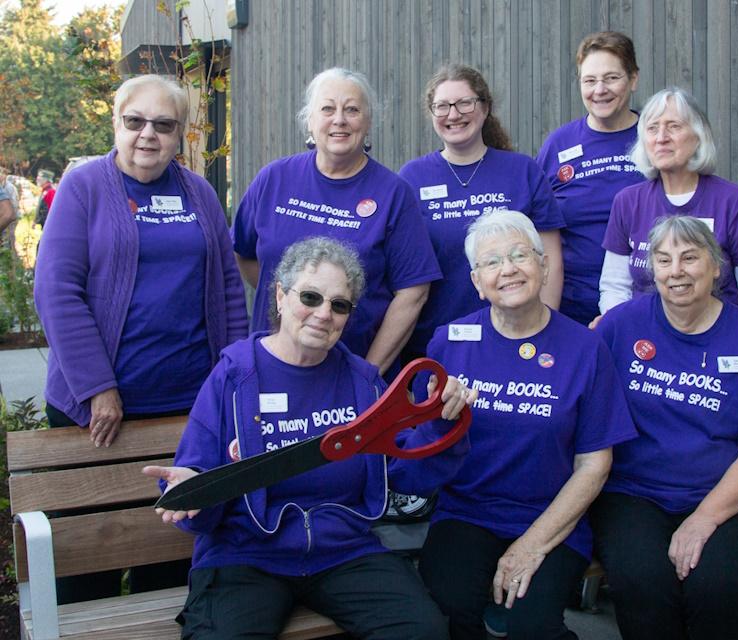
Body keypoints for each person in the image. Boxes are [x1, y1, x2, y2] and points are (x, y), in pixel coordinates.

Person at [144, 237, 477, 640]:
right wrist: (193, 491)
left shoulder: (363, 384)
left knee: (422, 632)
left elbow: (407, 473)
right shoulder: (235, 376)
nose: (323, 314)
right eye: (311, 297)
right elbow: (195, 473)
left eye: (339, 305)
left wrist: (442, 420)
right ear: (281, 296)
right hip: (246, 556)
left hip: (345, 552)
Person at [33, 74, 248, 600]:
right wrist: (96, 387)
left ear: (179, 135)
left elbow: (226, 288)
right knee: (89, 556)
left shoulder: (198, 191)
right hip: (98, 413)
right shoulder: (83, 189)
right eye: (135, 121)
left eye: (164, 125)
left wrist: (234, 379)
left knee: (170, 549)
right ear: (116, 123)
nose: (147, 135)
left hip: (186, 407)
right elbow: (56, 290)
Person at [417, 210, 637, 639]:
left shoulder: (585, 349)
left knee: (530, 627)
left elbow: (594, 465)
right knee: (448, 610)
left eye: (520, 255)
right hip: (467, 512)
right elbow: (426, 446)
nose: (509, 269)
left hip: (552, 517)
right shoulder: (449, 342)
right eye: (492, 262)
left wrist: (532, 544)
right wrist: (440, 420)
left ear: (544, 265)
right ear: (477, 282)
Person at [592, 215, 738, 640]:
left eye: (689, 257)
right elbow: (570, 383)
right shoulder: (621, 325)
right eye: (663, 260)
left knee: (720, 590)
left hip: (719, 494)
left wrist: (703, 519)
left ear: (716, 265)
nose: (676, 271)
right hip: (633, 493)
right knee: (643, 584)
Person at [233, 67, 441, 375]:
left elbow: (413, 292)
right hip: (273, 367)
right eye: (327, 108)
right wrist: (293, 298)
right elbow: (244, 254)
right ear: (310, 120)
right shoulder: (273, 180)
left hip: (352, 367)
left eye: (352, 109)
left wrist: (367, 373)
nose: (339, 119)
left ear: (368, 122)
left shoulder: (393, 193)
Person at [398, 64, 564, 359]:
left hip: (518, 337)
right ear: (431, 114)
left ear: (485, 108)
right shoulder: (412, 178)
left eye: (465, 103)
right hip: (437, 341)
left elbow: (549, 260)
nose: (453, 114)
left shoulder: (523, 171)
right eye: (442, 106)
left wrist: (545, 334)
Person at [598, 87, 738, 331]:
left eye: (674, 126)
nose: (661, 137)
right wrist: (622, 334)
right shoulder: (628, 202)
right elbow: (614, 286)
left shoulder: (733, 202)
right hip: (645, 343)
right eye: (652, 128)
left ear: (698, 136)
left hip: (719, 342)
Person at [536, 31, 644, 326]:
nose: (600, 90)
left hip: (648, 304)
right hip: (571, 306)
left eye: (611, 78)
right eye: (590, 80)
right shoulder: (559, 144)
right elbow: (539, 229)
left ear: (633, 79)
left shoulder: (656, 136)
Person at [0, 168, 20, 246]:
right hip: (4, 219)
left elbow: (12, 210)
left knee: (9, 239)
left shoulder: (10, 187)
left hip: (8, 221)